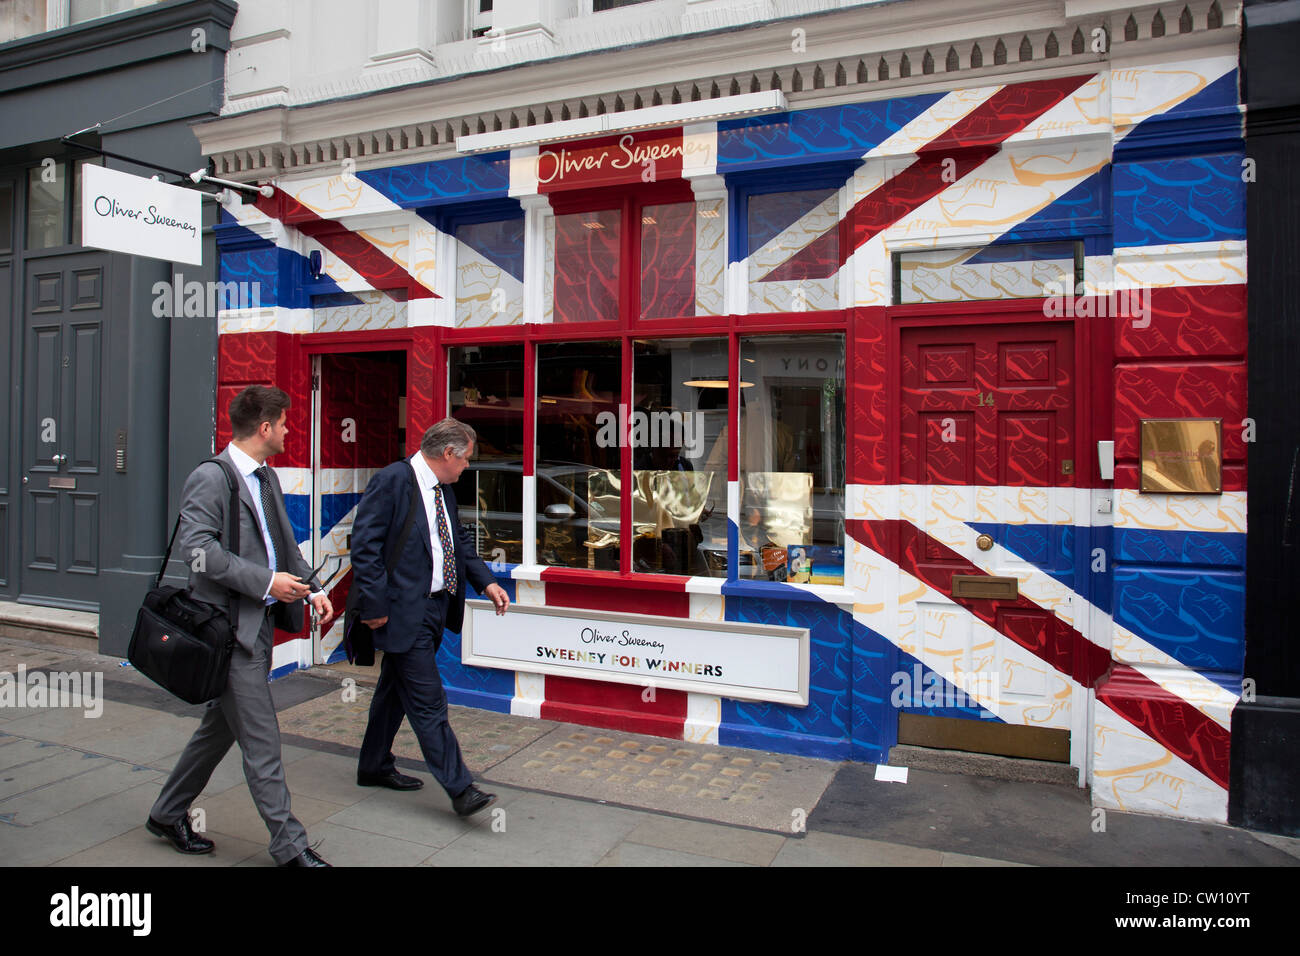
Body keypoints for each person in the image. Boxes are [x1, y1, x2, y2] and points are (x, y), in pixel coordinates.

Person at [146, 385, 335, 867]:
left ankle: (167, 814)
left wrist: (312, 588)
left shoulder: (266, 477)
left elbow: (283, 547)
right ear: (265, 427)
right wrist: (267, 582)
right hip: (227, 634)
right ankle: (290, 848)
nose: (291, 429)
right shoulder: (213, 477)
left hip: (258, 626)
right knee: (262, 741)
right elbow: (197, 550)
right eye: (286, 422)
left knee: (219, 730)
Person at [351, 418, 510, 817]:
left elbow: (457, 543)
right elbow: (364, 547)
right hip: (401, 612)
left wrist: (486, 583)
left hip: (436, 608)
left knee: (392, 693)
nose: (467, 467)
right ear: (448, 454)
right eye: (466, 458)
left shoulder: (442, 490)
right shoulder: (393, 481)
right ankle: (461, 789)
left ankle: (373, 765)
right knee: (428, 700)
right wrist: (373, 609)